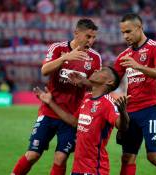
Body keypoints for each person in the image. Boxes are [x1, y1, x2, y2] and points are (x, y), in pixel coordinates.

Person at [11, 18, 102, 175]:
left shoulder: (95, 58)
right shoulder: (58, 48)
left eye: (93, 37)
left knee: (60, 158)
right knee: (32, 155)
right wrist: (65, 58)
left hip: (72, 116)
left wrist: (84, 82)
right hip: (49, 110)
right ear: (76, 33)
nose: (91, 41)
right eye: (88, 36)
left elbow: (97, 86)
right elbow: (44, 70)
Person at [114, 13, 156, 175]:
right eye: (122, 32)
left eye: (128, 31)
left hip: (150, 108)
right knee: (127, 157)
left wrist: (138, 66)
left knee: (154, 156)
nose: (125, 36)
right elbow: (111, 81)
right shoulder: (124, 55)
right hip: (129, 111)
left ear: (139, 28)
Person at [34, 66, 130, 175]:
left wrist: (123, 112)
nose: (96, 70)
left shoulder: (108, 103)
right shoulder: (87, 98)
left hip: (95, 170)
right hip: (77, 169)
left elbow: (122, 126)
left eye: (102, 70)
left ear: (109, 81)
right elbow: (74, 121)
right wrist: (50, 102)